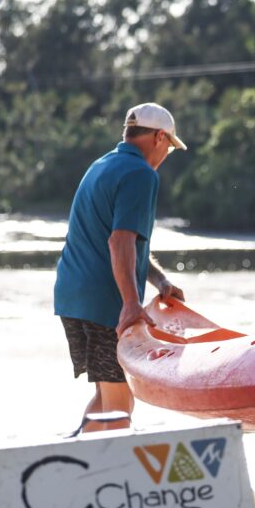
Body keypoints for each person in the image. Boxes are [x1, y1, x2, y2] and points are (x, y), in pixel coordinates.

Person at [54, 104, 188, 434]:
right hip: (104, 304)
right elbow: (119, 243)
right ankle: (99, 477)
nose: (167, 154)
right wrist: (130, 304)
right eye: (170, 146)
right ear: (159, 137)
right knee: (119, 406)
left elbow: (125, 244)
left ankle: (71, 462)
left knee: (108, 397)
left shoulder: (102, 165)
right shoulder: (142, 174)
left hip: (72, 298)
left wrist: (159, 279)